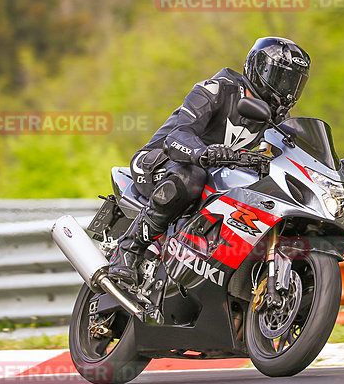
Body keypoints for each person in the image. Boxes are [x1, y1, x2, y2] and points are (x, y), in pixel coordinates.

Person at [108, 36, 311, 284]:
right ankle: (128, 250)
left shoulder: (276, 121)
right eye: (281, 78)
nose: (287, 90)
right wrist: (203, 152)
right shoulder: (217, 89)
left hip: (212, 177)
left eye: (294, 83)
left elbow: (289, 156)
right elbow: (177, 134)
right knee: (191, 176)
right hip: (157, 162)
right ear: (259, 69)